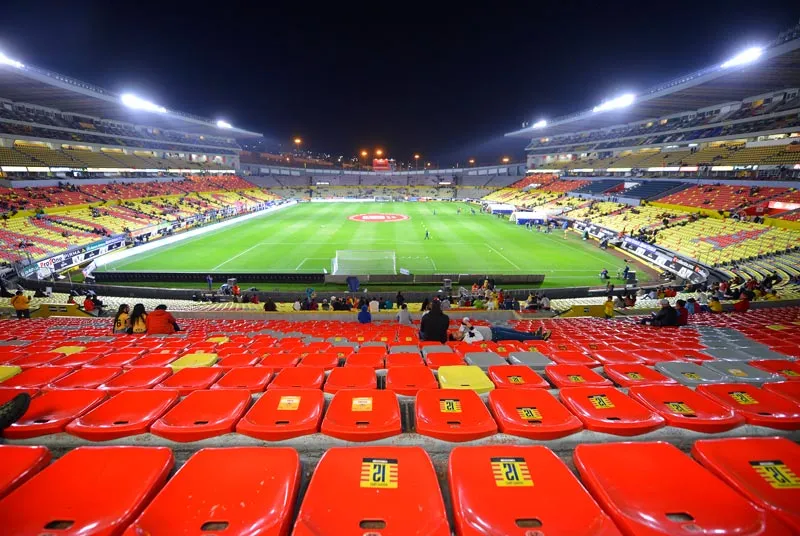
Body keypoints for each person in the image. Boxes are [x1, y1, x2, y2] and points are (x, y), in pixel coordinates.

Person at [452, 318, 550, 343]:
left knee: (515, 332)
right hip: (494, 336)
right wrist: (471, 328)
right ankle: (540, 338)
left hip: (492, 329)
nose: (457, 332)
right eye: (456, 334)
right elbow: (480, 338)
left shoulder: (462, 332)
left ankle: (533, 334)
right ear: (458, 339)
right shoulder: (467, 340)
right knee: (517, 337)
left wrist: (465, 322)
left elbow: (463, 321)